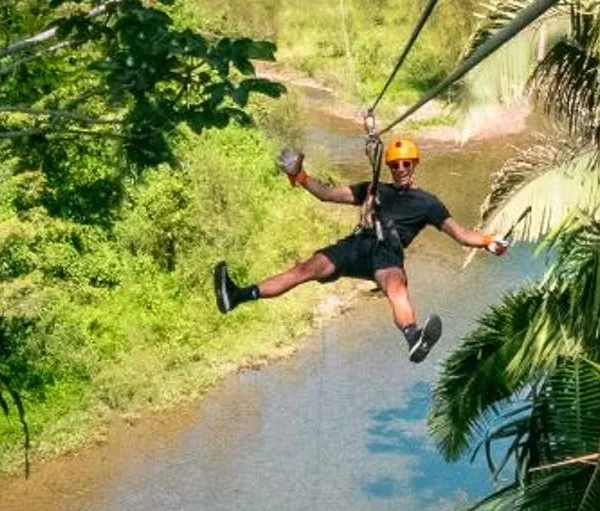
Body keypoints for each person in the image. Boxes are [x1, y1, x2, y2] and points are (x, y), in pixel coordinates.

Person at [214, 134, 507, 363]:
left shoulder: (427, 203)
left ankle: (413, 336)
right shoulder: (373, 188)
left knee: (395, 288)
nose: (400, 169)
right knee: (307, 269)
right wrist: (300, 175)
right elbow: (327, 194)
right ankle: (237, 295)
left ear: (415, 164)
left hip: (386, 252)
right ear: (390, 168)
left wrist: (487, 241)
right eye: (395, 165)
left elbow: (460, 234)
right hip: (358, 244)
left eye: (406, 164)